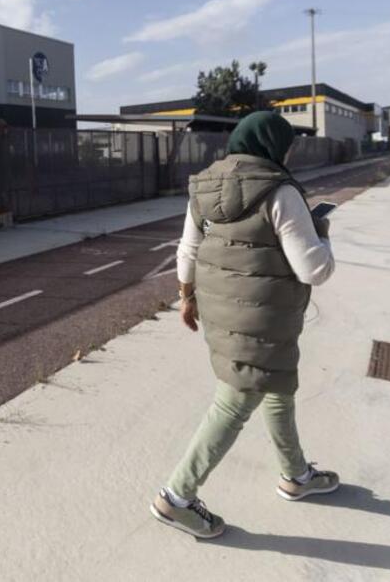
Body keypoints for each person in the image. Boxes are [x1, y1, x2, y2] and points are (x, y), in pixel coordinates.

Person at [150, 111, 339, 539]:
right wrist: (322, 232)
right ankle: (176, 497)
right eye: (287, 146)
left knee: (275, 387)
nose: (288, 154)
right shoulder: (280, 190)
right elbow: (313, 270)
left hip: (220, 311)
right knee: (235, 401)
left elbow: (187, 250)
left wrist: (186, 299)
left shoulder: (202, 185)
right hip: (266, 315)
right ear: (273, 145)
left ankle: (295, 475)